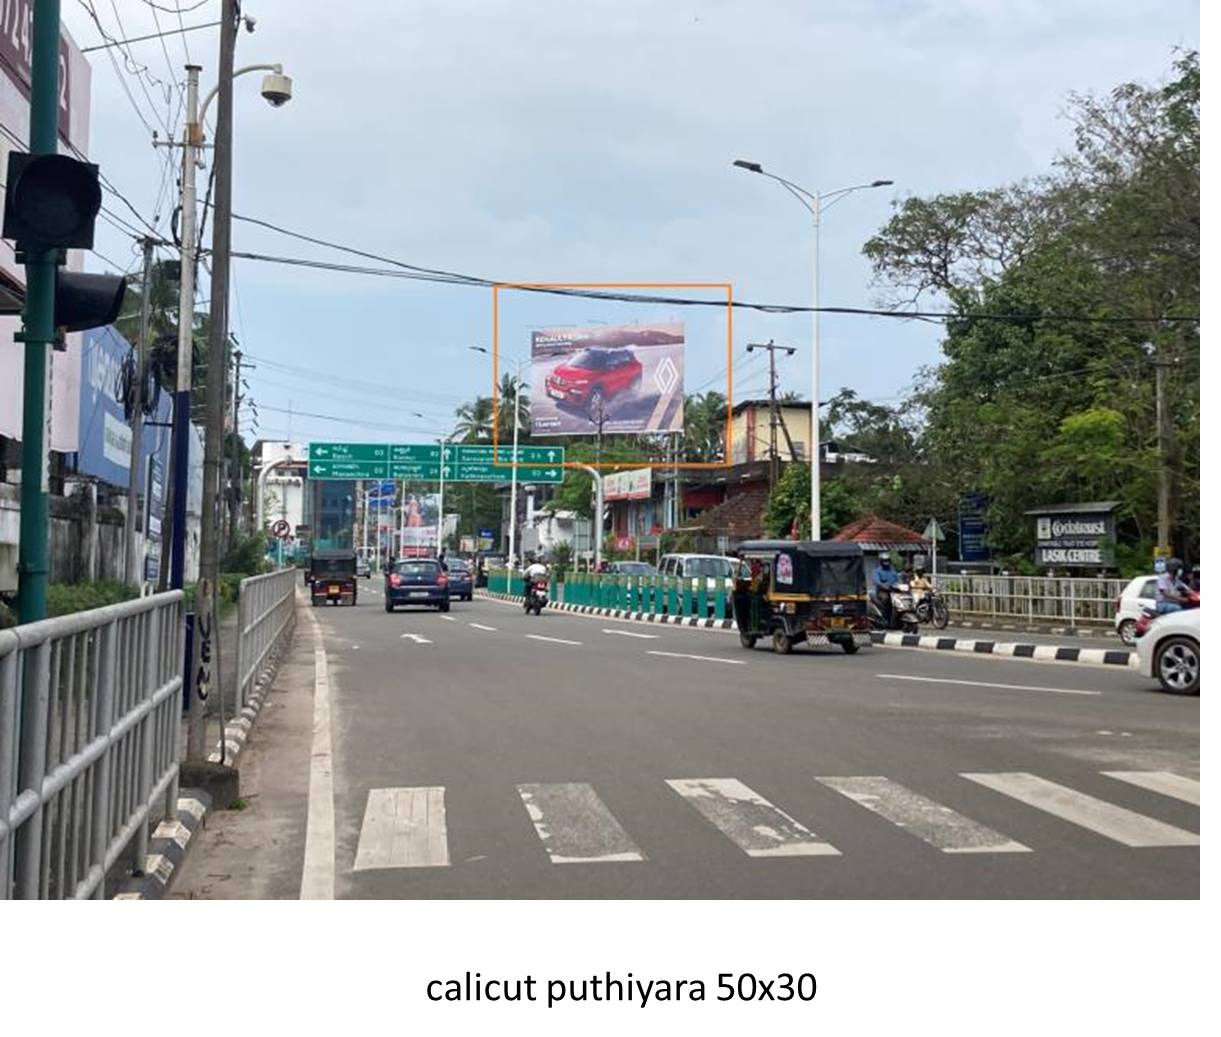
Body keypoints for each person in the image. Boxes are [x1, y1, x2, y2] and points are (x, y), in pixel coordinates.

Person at [872, 554, 901, 625]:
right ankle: (884, 618)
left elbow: (898, 580)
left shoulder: (893, 571)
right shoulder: (877, 571)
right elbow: (877, 581)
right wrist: (884, 586)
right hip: (882, 591)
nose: (886, 563)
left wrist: (901, 585)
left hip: (893, 591)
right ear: (881, 562)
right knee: (886, 598)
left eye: (887, 561)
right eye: (884, 561)